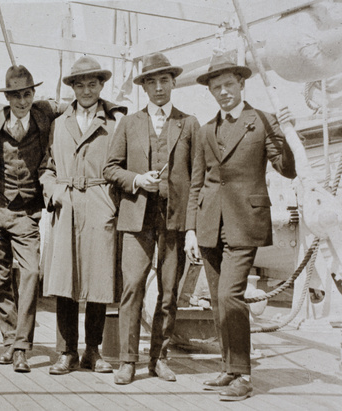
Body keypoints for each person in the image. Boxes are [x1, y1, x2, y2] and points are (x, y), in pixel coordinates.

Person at [184, 53, 296, 401]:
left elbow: (287, 169)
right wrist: (191, 229)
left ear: (241, 84)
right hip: (208, 223)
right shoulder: (205, 131)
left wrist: (288, 134)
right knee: (218, 301)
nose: (223, 92)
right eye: (216, 88)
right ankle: (229, 367)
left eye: (228, 85)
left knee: (229, 295)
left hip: (244, 222)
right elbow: (197, 183)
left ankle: (244, 376)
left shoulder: (263, 121)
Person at [104, 52, 200, 385]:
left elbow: (197, 177)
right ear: (144, 87)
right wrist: (137, 180)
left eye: (164, 80)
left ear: (173, 82)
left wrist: (191, 228)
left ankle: (159, 358)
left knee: (169, 291)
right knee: (131, 287)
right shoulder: (129, 123)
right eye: (151, 81)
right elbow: (110, 168)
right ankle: (128, 360)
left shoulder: (188, 123)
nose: (158, 87)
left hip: (173, 220)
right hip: (136, 218)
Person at [0, 65, 61, 373]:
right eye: (16, 95)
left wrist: (115, 109)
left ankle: (22, 346)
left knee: (31, 273)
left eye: (27, 94)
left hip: (27, 212)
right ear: (6, 97)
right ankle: (9, 342)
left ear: (34, 94)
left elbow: (78, 105)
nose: (22, 101)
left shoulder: (44, 113)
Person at [39, 56, 126, 375]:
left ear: (102, 86)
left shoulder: (116, 122)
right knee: (65, 281)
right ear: (72, 88)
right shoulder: (59, 123)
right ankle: (66, 352)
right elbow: (46, 168)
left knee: (97, 281)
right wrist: (54, 191)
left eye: (92, 84)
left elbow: (122, 166)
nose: (86, 90)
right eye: (79, 84)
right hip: (66, 204)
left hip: (100, 204)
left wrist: (110, 201)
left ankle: (93, 350)